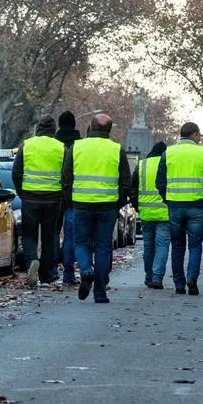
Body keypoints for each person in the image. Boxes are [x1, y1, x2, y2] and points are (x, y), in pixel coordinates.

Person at [62, 114, 131, 303]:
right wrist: (117, 202)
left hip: (81, 206)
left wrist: (71, 201)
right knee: (103, 248)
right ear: (109, 130)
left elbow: (66, 178)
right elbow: (126, 181)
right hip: (107, 207)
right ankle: (100, 293)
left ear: (90, 127)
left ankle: (86, 270)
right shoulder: (117, 149)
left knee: (81, 243)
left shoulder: (77, 147)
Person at [155, 122, 203, 296]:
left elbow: (160, 181)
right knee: (195, 246)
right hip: (197, 206)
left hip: (175, 206)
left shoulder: (169, 152)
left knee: (177, 246)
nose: (200, 138)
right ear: (194, 134)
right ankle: (192, 277)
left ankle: (179, 284)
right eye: (200, 135)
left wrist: (167, 198)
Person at [12, 114, 69, 288]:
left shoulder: (27, 145)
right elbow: (66, 176)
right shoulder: (61, 147)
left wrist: (22, 193)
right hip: (53, 199)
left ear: (38, 128)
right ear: (54, 130)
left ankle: (31, 265)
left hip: (30, 197)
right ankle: (46, 274)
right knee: (49, 237)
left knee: (29, 235)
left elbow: (16, 173)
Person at [130, 141, 170, 289]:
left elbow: (132, 189)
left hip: (146, 213)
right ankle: (157, 277)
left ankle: (149, 277)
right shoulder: (168, 163)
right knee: (162, 246)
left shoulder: (142, 165)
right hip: (165, 213)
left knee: (148, 246)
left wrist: (138, 207)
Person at [55, 110, 82, 285]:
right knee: (71, 236)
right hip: (74, 196)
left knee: (53, 234)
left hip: (53, 195)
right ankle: (68, 273)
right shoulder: (80, 145)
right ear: (74, 125)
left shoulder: (53, 144)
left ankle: (50, 270)